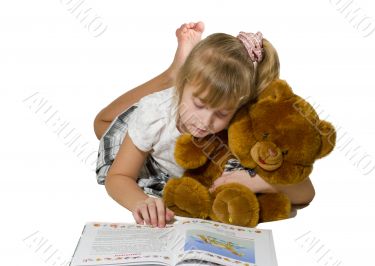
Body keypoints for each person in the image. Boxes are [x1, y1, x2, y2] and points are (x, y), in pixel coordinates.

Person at [94, 22, 315, 228]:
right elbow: (118, 176)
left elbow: (305, 191)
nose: (205, 122)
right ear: (183, 84)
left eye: (221, 113)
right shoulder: (156, 113)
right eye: (199, 104)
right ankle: (173, 72)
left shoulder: (241, 127)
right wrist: (140, 201)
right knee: (102, 126)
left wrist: (257, 181)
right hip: (154, 146)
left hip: (184, 172)